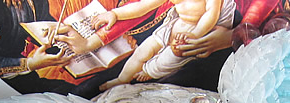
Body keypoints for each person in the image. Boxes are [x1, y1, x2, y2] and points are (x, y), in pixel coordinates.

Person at [92, 0, 235, 89]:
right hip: (173, 26)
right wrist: (115, 14)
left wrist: (195, 34)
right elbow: (143, 6)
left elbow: (211, 14)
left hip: (198, 31)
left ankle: (150, 71)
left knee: (169, 57)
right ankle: (122, 79)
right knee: (142, 51)